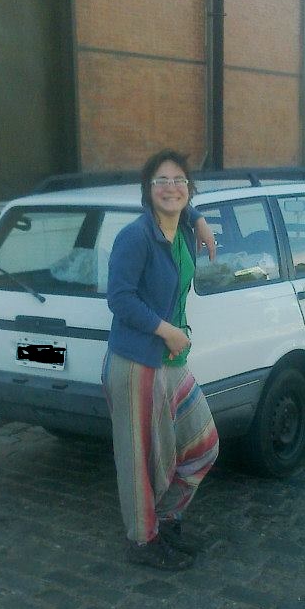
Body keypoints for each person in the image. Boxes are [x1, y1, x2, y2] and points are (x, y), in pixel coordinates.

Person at [102, 149, 219, 570]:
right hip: (137, 363)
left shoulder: (183, 227)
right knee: (141, 459)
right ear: (147, 190)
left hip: (172, 362)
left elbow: (183, 208)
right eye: (161, 181)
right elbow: (119, 298)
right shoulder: (135, 237)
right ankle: (143, 541)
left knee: (203, 444)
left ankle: (166, 518)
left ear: (189, 188)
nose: (171, 188)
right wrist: (165, 330)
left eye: (179, 180)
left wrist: (198, 218)